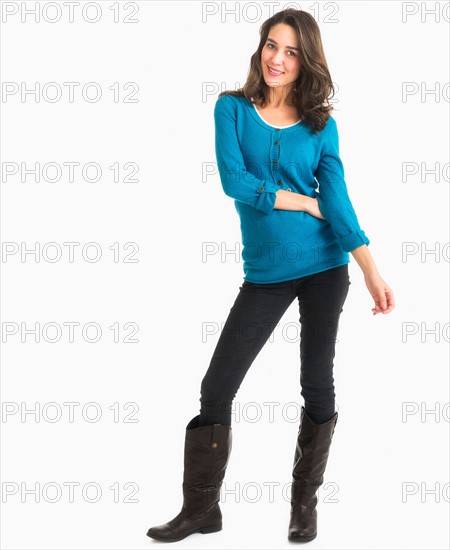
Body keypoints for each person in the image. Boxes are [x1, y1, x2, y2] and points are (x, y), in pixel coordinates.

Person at [147, 8, 395, 544]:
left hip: (326, 268)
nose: (277, 59)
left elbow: (339, 200)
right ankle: (200, 511)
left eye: (290, 51)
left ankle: (303, 507)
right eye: (271, 45)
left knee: (316, 381)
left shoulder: (321, 125)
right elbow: (235, 182)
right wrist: (302, 204)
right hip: (266, 273)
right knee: (216, 388)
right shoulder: (231, 109)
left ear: (307, 61)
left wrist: (370, 268)